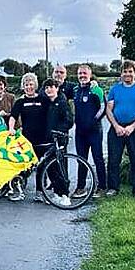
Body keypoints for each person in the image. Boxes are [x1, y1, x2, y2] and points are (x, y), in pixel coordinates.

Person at [105, 59, 135, 198]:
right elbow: (108, 109)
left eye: (130, 71)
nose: (127, 74)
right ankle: (113, 187)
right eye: (125, 71)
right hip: (116, 128)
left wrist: (132, 126)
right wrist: (116, 126)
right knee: (113, 160)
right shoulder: (115, 89)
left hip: (134, 128)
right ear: (121, 74)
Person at [9, 72, 49, 201]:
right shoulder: (20, 101)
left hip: (42, 138)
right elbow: (13, 117)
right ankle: (19, 190)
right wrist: (11, 129)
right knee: (24, 166)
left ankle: (40, 192)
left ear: (35, 85)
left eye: (31, 84)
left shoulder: (42, 99)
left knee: (41, 166)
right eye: (26, 85)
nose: (29, 87)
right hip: (27, 139)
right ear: (23, 86)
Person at [72, 64, 106, 198]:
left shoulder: (96, 89)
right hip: (80, 132)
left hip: (94, 131)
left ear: (90, 74)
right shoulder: (75, 89)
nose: (82, 76)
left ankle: (102, 187)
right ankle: (80, 188)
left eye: (85, 73)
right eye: (80, 73)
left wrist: (94, 121)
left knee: (98, 159)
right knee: (81, 160)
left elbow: (102, 108)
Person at [42, 78, 74, 206]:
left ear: (57, 88)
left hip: (59, 139)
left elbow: (69, 120)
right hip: (48, 140)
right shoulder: (46, 103)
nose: (49, 89)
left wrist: (58, 131)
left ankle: (65, 195)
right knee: (50, 168)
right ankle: (56, 193)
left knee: (60, 168)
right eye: (46, 88)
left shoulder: (62, 102)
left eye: (52, 87)